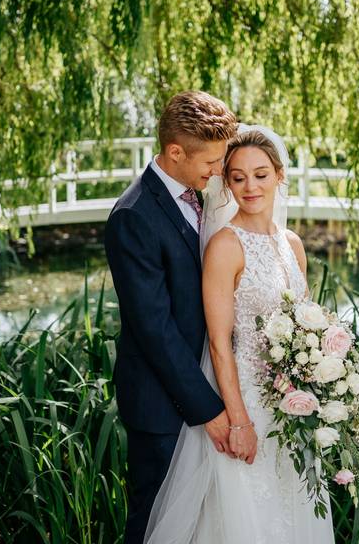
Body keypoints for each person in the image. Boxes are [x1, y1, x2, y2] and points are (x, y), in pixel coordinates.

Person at [143, 127, 334, 543]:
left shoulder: (293, 244)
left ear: (280, 176)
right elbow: (219, 343)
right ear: (226, 183)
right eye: (238, 176)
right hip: (246, 406)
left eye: (261, 175)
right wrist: (239, 421)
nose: (251, 186)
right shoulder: (226, 246)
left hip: (292, 408)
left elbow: (307, 328)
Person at [104, 91, 240, 544]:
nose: (218, 172)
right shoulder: (133, 216)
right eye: (211, 162)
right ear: (174, 151)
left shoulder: (203, 195)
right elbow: (154, 330)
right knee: (156, 523)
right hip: (164, 407)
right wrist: (208, 409)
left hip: (209, 386)